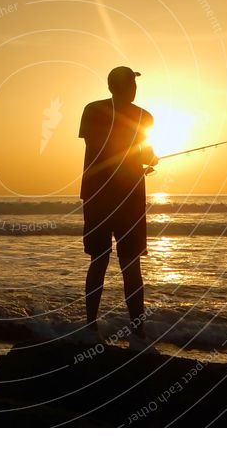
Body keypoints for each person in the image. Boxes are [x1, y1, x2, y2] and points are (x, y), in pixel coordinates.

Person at [79, 66, 157, 348]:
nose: (135, 89)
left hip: (97, 195)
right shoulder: (144, 116)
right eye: (132, 84)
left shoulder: (92, 110)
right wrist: (149, 159)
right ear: (125, 87)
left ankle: (91, 327)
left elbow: (96, 145)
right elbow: (143, 152)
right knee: (130, 264)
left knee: (99, 259)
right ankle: (138, 333)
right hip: (129, 198)